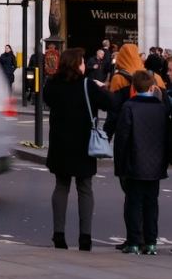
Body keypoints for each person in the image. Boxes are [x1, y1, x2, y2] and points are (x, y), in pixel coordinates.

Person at [44, 47, 113, 251]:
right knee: (85, 188)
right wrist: (101, 88)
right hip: (83, 142)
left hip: (60, 143)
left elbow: (48, 101)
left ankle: (58, 234)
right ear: (77, 64)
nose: (85, 65)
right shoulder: (88, 85)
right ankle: (85, 237)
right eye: (82, 62)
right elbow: (109, 103)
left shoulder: (52, 85)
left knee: (61, 186)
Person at [114, 70, 171, 255]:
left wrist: (120, 164)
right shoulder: (161, 108)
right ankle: (151, 242)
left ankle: (134, 241)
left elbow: (122, 138)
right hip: (155, 163)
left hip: (134, 163)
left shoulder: (129, 107)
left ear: (134, 86)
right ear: (152, 86)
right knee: (151, 204)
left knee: (134, 203)